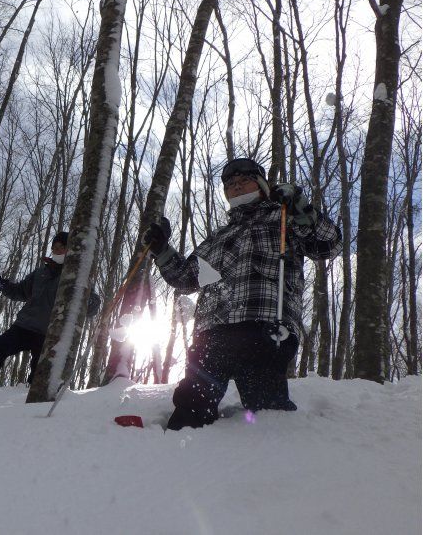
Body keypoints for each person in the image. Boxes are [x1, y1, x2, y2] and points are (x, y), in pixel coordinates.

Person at [142, 158, 342, 430]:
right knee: (192, 402)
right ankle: (180, 456)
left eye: (244, 181)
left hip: (264, 324)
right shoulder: (219, 236)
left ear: (261, 185)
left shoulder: (284, 216)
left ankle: (270, 463)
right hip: (214, 329)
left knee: (266, 408)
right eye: (230, 184)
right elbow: (186, 278)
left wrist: (300, 207)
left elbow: (327, 245)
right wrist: (162, 249)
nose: (237, 187)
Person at [0, 232, 101, 387]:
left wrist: (89, 301)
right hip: (24, 326)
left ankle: (30, 402)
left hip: (50, 334)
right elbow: (18, 291)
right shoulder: (41, 273)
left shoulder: (76, 276)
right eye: (54, 247)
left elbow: (91, 308)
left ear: (70, 249)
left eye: (62, 247)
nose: (57, 250)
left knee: (39, 375)